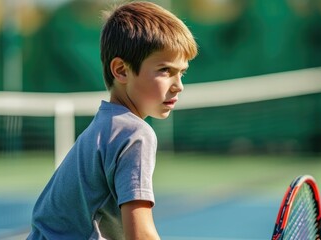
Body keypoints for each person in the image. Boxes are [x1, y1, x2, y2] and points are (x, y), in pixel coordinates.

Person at [28, 1, 198, 239]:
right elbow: (140, 234)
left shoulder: (104, 127)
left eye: (182, 73)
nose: (178, 86)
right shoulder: (135, 134)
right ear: (121, 70)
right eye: (165, 70)